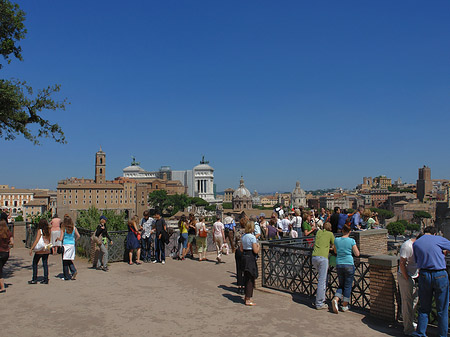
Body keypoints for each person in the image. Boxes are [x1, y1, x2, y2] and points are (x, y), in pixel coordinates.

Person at [412, 226, 450, 337]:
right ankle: (442, 335)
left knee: (424, 307)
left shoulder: (417, 243)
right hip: (439, 274)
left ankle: (420, 333)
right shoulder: (438, 239)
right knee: (442, 309)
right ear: (434, 233)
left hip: (424, 274)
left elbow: (417, 260)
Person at [331, 223, 360, 313]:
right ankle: (344, 305)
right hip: (348, 264)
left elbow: (335, 251)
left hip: (339, 263)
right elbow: (357, 254)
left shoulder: (337, 240)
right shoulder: (351, 241)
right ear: (350, 231)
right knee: (347, 286)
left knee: (341, 284)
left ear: (342, 231)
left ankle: (336, 299)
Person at [398, 232, 422, 336]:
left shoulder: (419, 246)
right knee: (407, 303)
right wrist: (407, 278)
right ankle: (408, 329)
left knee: (414, 301)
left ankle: (411, 323)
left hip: (415, 276)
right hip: (406, 277)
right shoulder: (407, 246)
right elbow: (402, 263)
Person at [312, 222, 335, 310]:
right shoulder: (330, 234)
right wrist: (330, 248)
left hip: (314, 257)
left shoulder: (319, 232)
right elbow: (334, 245)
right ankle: (319, 303)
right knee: (322, 280)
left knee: (322, 278)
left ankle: (321, 298)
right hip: (323, 258)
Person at [240, 218, 260, 306]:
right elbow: (255, 251)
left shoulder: (243, 237)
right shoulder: (252, 237)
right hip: (250, 257)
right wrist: (258, 246)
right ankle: (248, 299)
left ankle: (246, 297)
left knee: (246, 277)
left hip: (244, 256)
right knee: (250, 279)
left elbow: (241, 249)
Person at [56, 215, 80, 281]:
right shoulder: (74, 228)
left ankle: (66, 275)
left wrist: (57, 238)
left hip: (66, 245)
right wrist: (75, 240)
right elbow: (78, 235)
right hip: (72, 245)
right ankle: (73, 271)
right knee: (69, 259)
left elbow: (61, 238)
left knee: (65, 260)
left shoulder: (63, 228)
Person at [29, 218, 52, 284]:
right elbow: (49, 239)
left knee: (35, 263)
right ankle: (46, 279)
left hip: (40, 249)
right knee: (45, 264)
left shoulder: (40, 230)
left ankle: (34, 279)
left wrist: (32, 248)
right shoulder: (48, 230)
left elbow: (37, 240)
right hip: (46, 248)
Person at [0, 220, 13, 293]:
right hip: (6, 253)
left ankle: (2, 288)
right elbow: (12, 243)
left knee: (0, 271)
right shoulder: (9, 233)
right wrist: (7, 246)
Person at [234, 218, 246, 294]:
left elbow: (234, 241)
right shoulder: (248, 232)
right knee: (245, 269)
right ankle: (244, 286)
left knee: (239, 269)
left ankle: (239, 286)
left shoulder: (237, 232)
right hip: (245, 251)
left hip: (238, 250)